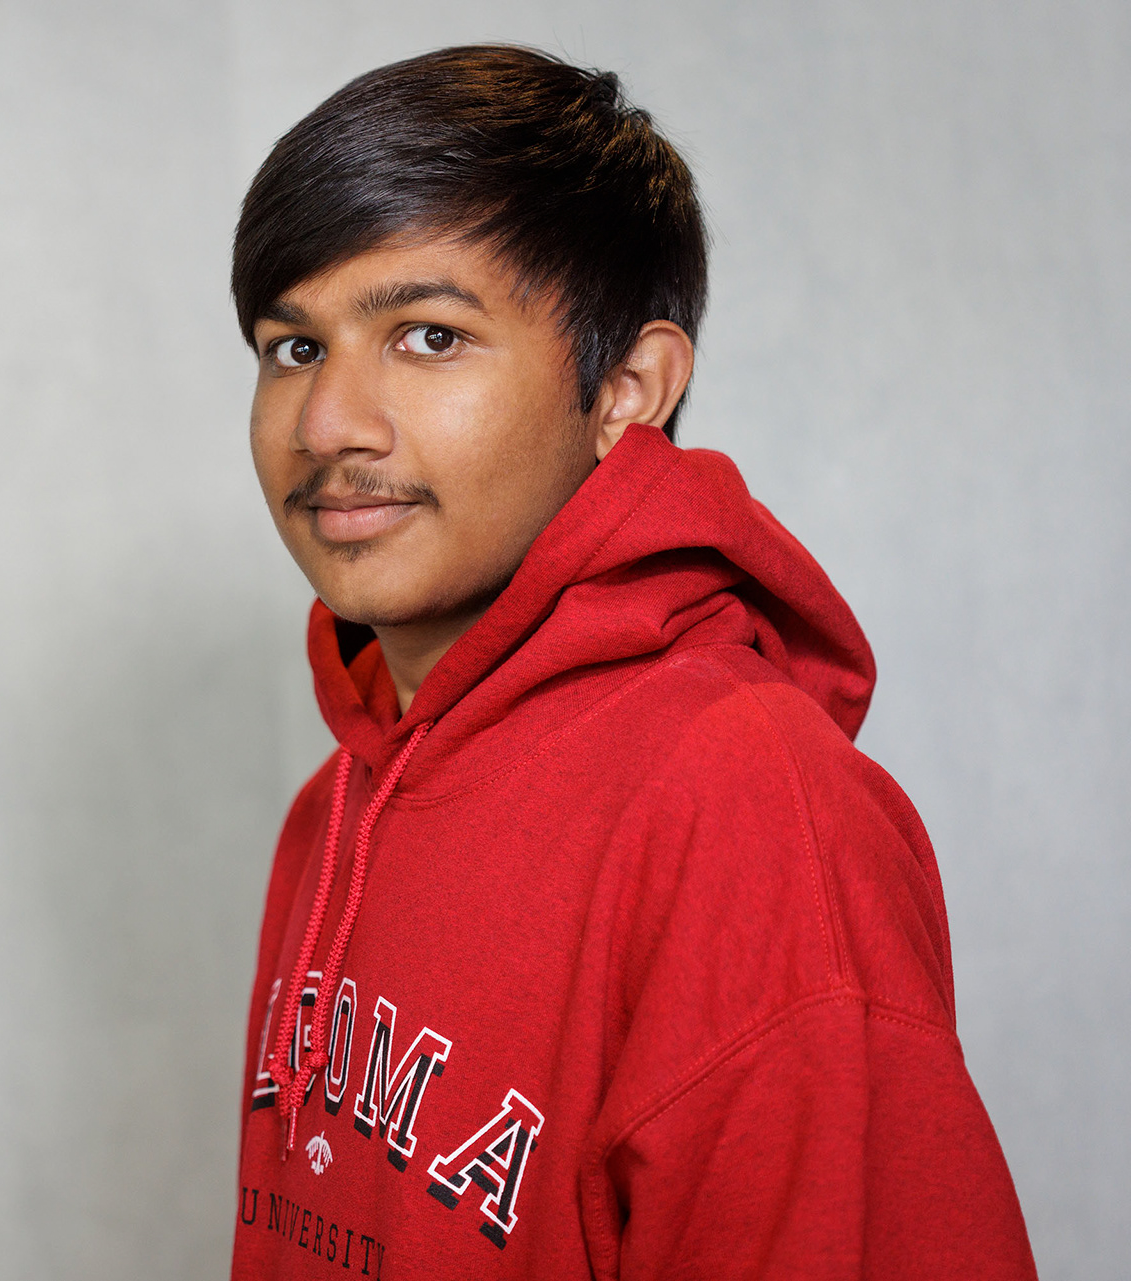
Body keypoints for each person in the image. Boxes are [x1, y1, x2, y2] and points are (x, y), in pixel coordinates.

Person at [229, 45, 1035, 1279]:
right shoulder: (332, 810)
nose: (329, 423)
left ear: (626, 390)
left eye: (430, 337)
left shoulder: (750, 813)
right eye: (293, 349)